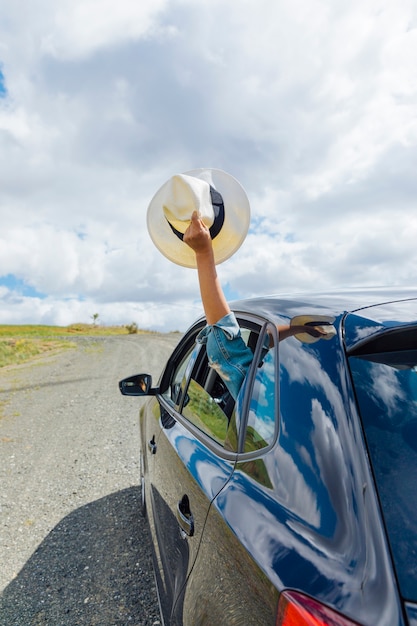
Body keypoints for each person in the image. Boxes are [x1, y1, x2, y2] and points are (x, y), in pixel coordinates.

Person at [183, 211, 329, 400]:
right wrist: (300, 328)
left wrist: (203, 253)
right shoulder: (302, 405)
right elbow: (262, 344)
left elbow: (223, 344)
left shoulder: (260, 400)